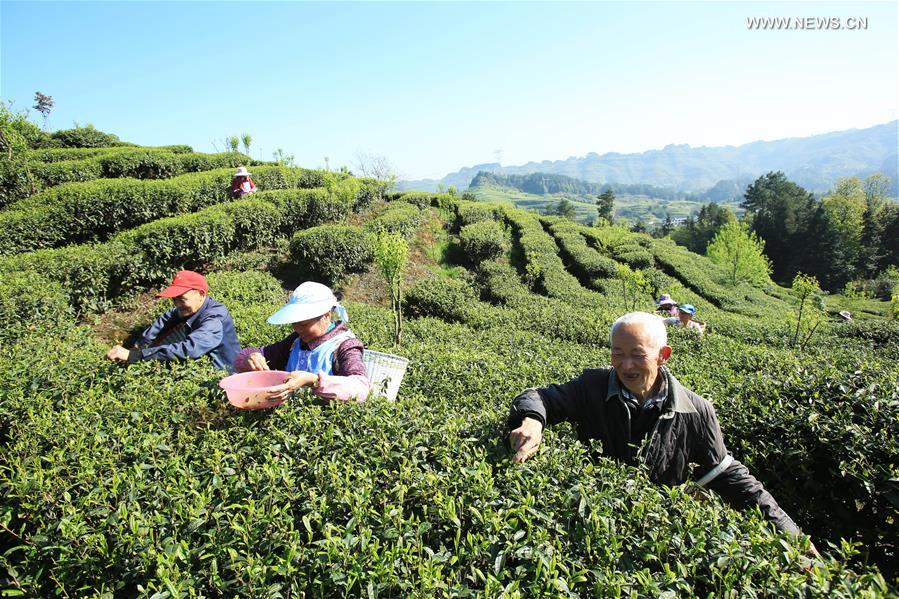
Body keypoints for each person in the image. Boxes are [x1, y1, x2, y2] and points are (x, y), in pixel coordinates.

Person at [507, 311, 805, 538]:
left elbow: (728, 475)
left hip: (652, 538)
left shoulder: (696, 411)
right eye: (617, 354)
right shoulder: (592, 387)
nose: (626, 365)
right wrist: (533, 420)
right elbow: (538, 397)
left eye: (637, 355)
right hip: (590, 525)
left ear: (663, 356)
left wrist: (792, 538)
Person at [233, 282, 370, 402]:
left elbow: (360, 388)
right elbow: (250, 355)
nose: (298, 329)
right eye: (294, 323)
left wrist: (313, 380)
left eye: (304, 324)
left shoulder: (345, 346)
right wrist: (252, 357)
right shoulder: (294, 342)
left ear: (326, 316)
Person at [106, 270, 240, 372]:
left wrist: (136, 355)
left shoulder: (214, 319)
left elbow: (190, 349)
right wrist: (140, 346)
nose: (177, 305)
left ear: (201, 294)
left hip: (223, 375)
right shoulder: (191, 308)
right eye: (174, 299)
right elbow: (169, 316)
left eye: (181, 299)